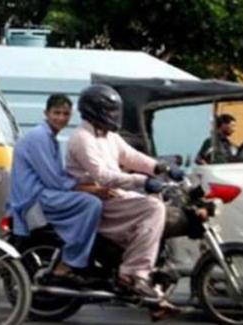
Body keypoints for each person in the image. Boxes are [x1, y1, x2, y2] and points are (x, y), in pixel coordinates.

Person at [66, 84, 174, 299]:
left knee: (157, 201)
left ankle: (142, 263)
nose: (114, 116)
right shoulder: (82, 138)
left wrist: (161, 167)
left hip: (112, 195)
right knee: (152, 207)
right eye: (110, 111)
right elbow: (103, 176)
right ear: (94, 110)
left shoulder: (108, 136)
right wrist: (142, 181)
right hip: (94, 198)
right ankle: (133, 274)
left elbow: (131, 156)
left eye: (115, 111)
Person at [8, 94, 108, 282]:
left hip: (41, 194)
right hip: (34, 198)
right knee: (91, 204)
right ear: (46, 113)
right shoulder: (40, 137)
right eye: (56, 113)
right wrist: (89, 189)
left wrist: (86, 183)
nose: (61, 118)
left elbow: (58, 176)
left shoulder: (50, 137)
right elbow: (55, 181)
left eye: (66, 114)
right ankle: (70, 261)